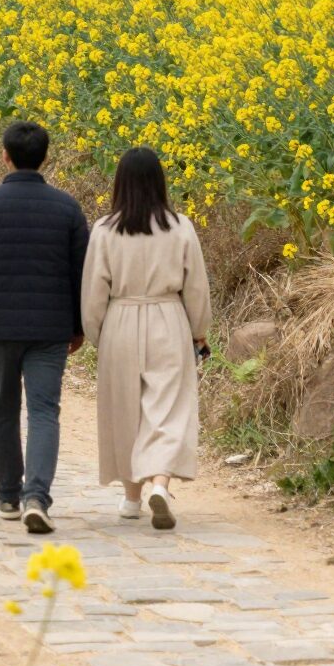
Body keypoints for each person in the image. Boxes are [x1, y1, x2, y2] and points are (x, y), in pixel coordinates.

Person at [0, 121, 89, 534]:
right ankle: (37, 497)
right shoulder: (67, 209)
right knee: (45, 410)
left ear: (5, 156)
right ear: (45, 157)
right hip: (50, 328)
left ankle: (9, 494)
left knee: (3, 408)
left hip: (0, 327)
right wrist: (79, 326)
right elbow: (81, 273)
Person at [81, 146, 212, 532]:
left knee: (124, 410)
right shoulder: (181, 227)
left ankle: (131, 498)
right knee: (168, 407)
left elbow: (93, 292)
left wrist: (97, 335)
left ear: (119, 183)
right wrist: (199, 331)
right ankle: (159, 483)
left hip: (120, 319)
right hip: (168, 317)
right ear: (160, 182)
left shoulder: (104, 230)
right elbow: (196, 288)